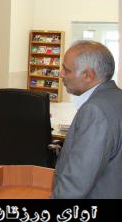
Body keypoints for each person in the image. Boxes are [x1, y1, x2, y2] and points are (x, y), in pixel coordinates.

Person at [52, 40, 122, 199]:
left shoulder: (95, 111)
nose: (61, 74)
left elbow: (76, 183)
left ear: (88, 75)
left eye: (66, 70)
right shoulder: (117, 98)